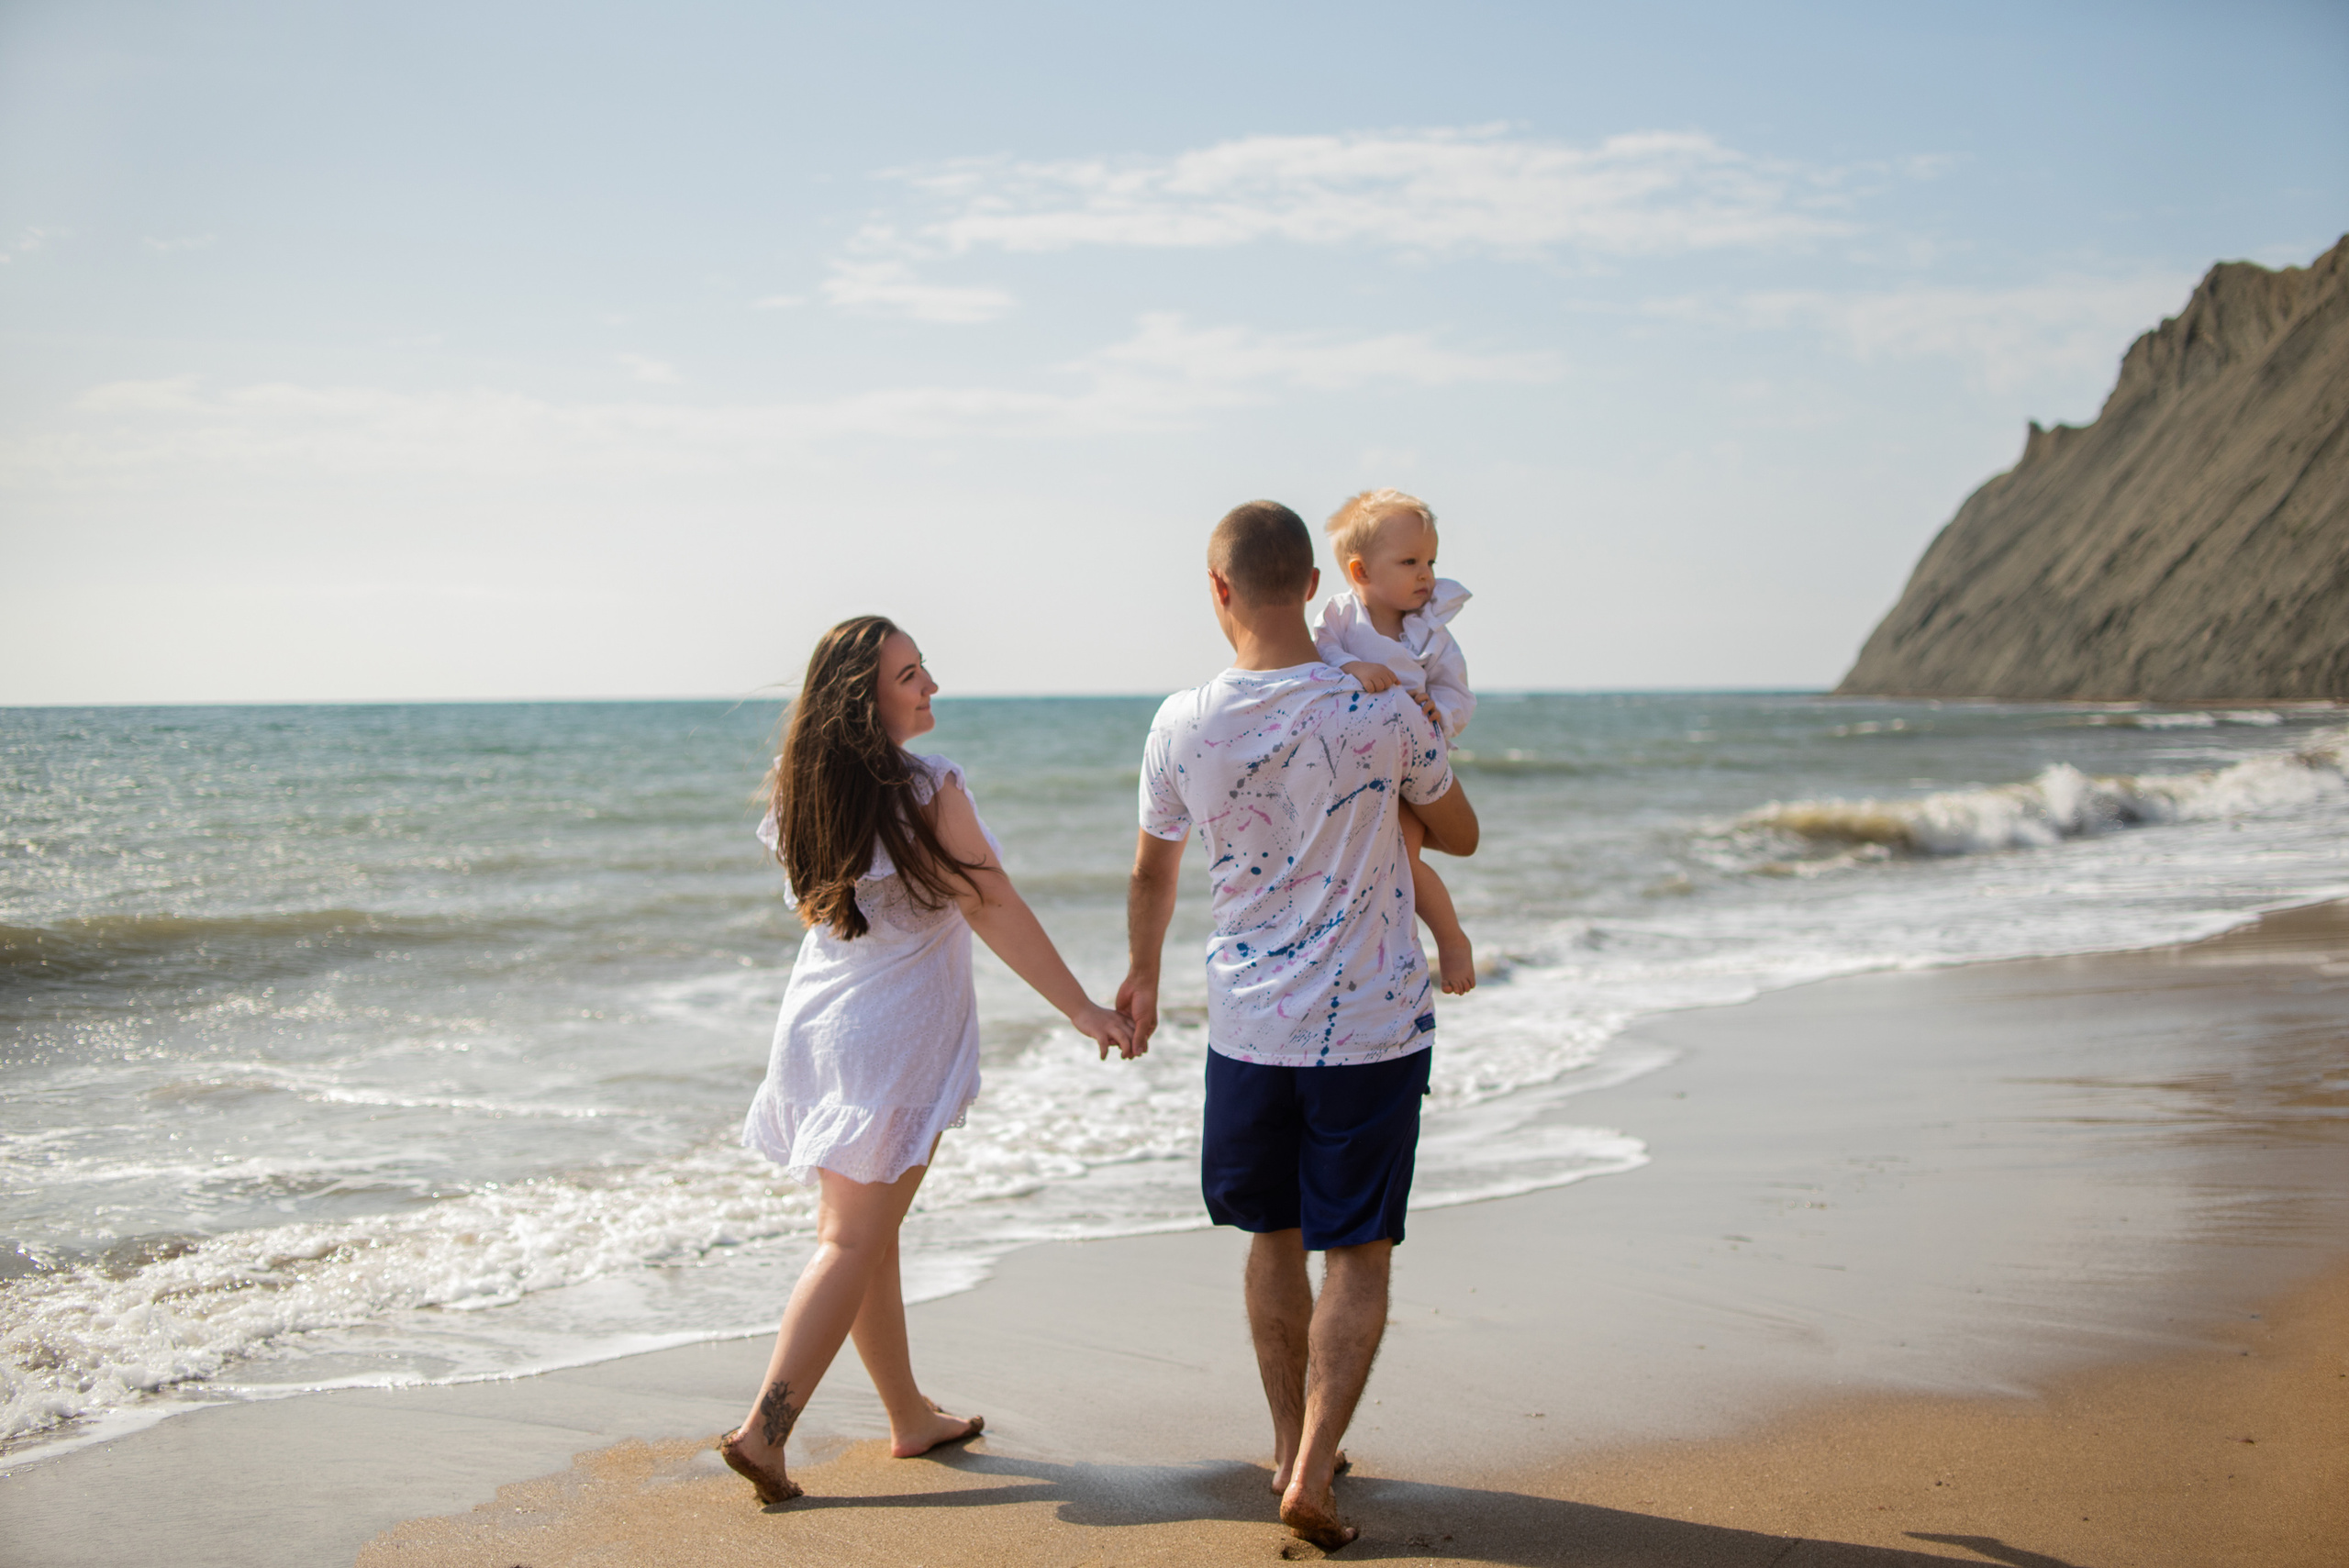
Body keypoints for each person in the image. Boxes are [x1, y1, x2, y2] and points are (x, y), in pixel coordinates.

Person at [1118, 503, 1480, 1551]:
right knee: (1356, 1250)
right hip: (1368, 1024)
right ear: (1317, 584)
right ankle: (1316, 1464)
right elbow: (1457, 832)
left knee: (1269, 1236)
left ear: (1218, 588)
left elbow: (1152, 867)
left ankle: (1288, 1445)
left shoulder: (1180, 720)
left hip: (1245, 1030)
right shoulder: (1381, 706)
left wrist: (1140, 978)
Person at [719, 615, 1134, 1507]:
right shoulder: (929, 786)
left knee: (867, 1234)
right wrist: (1080, 1006)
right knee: (851, 1237)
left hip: (821, 1026)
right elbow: (991, 904)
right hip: (894, 1034)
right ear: (864, 700)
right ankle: (765, 1427)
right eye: (910, 674)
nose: (930, 684)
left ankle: (908, 1414)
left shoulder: (804, 790)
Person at [1310, 488, 1478, 995]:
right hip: (1352, 766)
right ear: (1361, 572)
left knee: (1403, 860)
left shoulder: (1430, 634)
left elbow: (1457, 693)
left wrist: (1439, 711)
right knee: (1356, 866)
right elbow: (1314, 657)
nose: (1425, 574)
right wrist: (1350, 666)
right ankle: (1356, 956)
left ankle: (1449, 942)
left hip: (1412, 768)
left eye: (1430, 560)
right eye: (1409, 561)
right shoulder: (1339, 619)